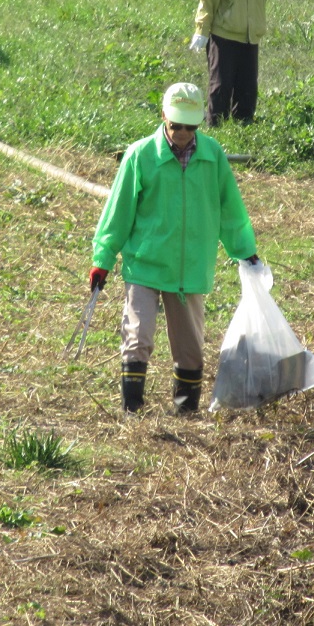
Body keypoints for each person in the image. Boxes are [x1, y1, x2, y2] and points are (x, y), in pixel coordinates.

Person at [89, 82, 259, 414]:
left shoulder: (213, 159)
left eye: (190, 126)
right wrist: (103, 258)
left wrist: (245, 251)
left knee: (190, 349)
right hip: (145, 264)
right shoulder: (140, 155)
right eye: (176, 124)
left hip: (190, 268)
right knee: (137, 339)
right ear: (163, 116)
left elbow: (231, 213)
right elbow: (118, 213)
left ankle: (185, 413)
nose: (182, 132)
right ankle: (132, 412)